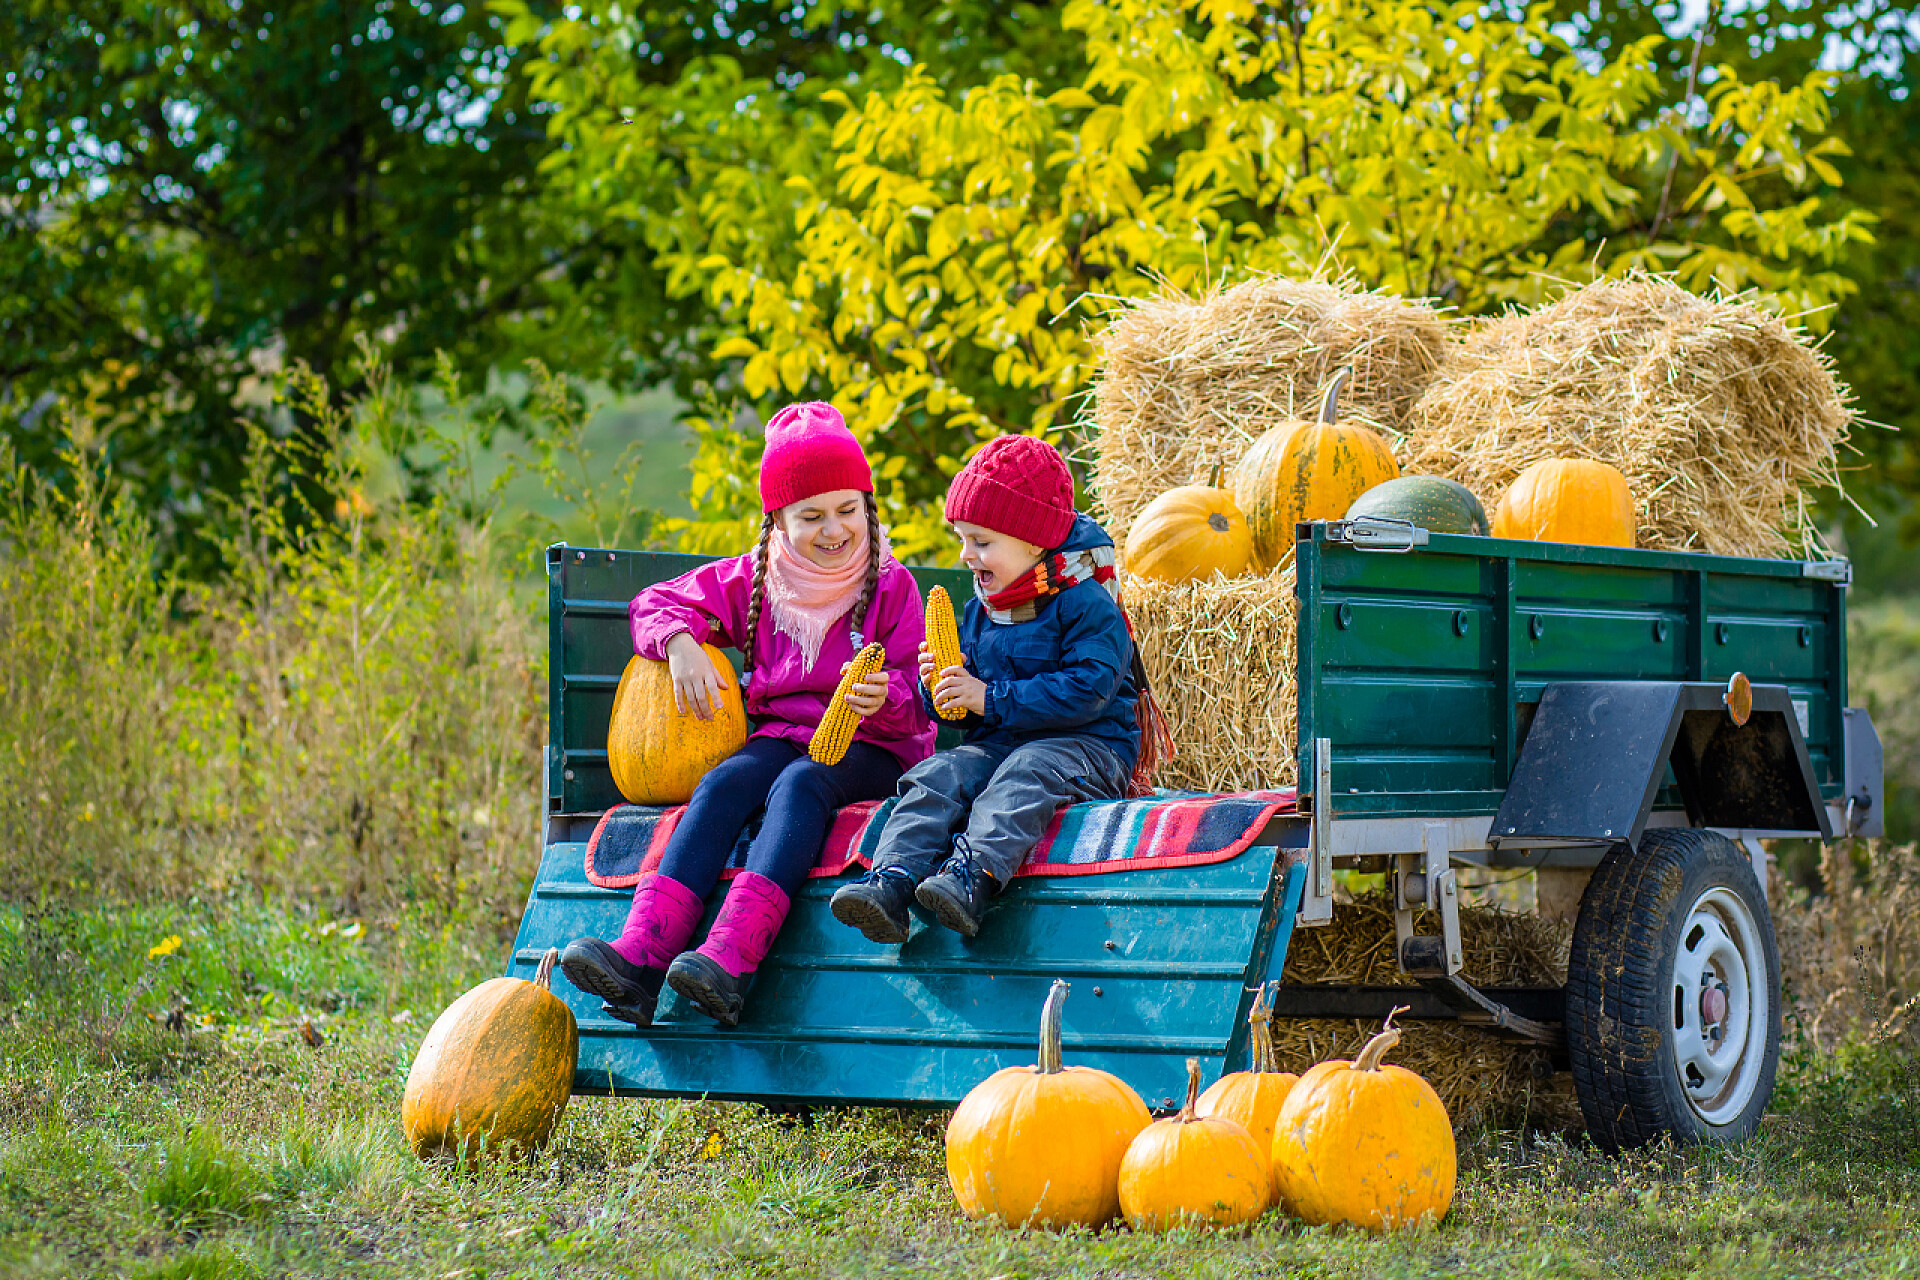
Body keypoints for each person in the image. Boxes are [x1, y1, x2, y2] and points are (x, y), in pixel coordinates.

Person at [560, 402, 933, 1027]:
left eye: (848, 510)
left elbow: (916, 700)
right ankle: (643, 957)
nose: (834, 530)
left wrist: (884, 697)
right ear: (778, 521)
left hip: (875, 746)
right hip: (783, 734)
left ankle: (733, 960)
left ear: (867, 507)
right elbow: (655, 602)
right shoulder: (756, 580)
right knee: (725, 782)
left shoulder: (892, 586)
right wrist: (680, 644)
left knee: (801, 785)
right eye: (811, 516)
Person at [829, 434, 1170, 943]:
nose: (967, 555)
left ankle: (973, 878)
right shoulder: (981, 610)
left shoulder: (1087, 605)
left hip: (1089, 745)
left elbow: (1089, 689)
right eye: (962, 539)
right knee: (940, 773)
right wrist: (943, 692)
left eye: (982, 542)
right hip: (1003, 740)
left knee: (1023, 775)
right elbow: (966, 714)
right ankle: (892, 878)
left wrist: (988, 697)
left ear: (1034, 541)